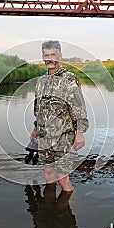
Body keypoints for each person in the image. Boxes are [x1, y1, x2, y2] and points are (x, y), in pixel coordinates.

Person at [30, 40, 89, 192]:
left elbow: (79, 107)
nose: (49, 58)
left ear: (60, 56)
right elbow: (39, 108)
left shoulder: (69, 78)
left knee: (62, 176)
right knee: (48, 172)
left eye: (53, 55)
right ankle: (49, 207)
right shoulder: (41, 81)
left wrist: (80, 133)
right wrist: (35, 128)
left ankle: (67, 209)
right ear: (42, 57)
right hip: (44, 136)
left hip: (64, 136)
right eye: (46, 55)